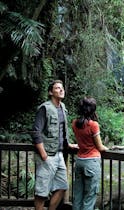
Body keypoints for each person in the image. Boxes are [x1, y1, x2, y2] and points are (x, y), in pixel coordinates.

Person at [32, 79, 78, 210]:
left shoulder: (62, 108)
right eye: (57, 88)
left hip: (59, 155)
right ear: (50, 92)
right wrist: (44, 155)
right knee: (42, 192)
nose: (61, 90)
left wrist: (68, 145)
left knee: (62, 186)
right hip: (47, 156)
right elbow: (36, 132)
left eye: (62, 87)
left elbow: (62, 130)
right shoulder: (44, 108)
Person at [72, 97, 108, 210]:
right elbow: (100, 146)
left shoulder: (74, 123)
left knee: (78, 195)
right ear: (92, 110)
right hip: (91, 162)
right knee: (90, 196)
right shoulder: (93, 125)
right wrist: (107, 148)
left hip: (79, 161)